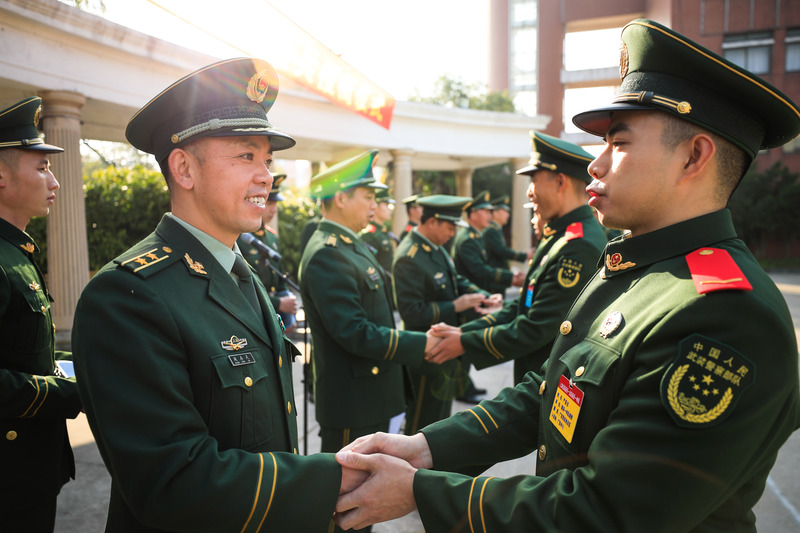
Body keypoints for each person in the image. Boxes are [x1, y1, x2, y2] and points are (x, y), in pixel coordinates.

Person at [332, 19, 800, 532]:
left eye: (619, 143)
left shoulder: (725, 312)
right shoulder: (637, 266)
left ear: (694, 156)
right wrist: (426, 448)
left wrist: (421, 491)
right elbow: (554, 388)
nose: (595, 166)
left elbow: (609, 512)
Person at [72, 58, 357, 531]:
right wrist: (332, 480)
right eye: (246, 156)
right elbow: (173, 482)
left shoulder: (237, 272)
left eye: (267, 160)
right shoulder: (127, 296)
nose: (265, 175)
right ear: (184, 168)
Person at [298, 149, 441, 533]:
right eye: (367, 196)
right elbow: (354, 332)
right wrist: (420, 344)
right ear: (341, 198)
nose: (375, 205)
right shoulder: (327, 254)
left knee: (363, 508)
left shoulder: (348, 243)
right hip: (353, 403)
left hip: (368, 394)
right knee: (346, 512)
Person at [428, 132, 608, 385]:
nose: (529, 193)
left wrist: (465, 342)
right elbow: (524, 306)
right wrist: (464, 332)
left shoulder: (579, 244)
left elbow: (536, 327)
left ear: (560, 182)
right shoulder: (560, 235)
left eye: (533, 180)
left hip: (547, 380)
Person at [0, 96, 82, 532]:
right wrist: (71, 391)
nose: (54, 180)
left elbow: (25, 353)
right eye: (42, 167)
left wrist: (83, 366)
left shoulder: (16, 251)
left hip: (28, 467)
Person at [391, 195, 495, 434]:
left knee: (438, 422)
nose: (452, 233)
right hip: (427, 355)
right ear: (432, 222)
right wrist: (454, 306)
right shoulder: (410, 256)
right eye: (449, 227)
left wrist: (481, 295)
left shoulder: (435, 247)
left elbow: (455, 279)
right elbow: (412, 312)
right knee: (423, 424)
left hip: (444, 351)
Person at [238, 173, 298, 334]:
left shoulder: (271, 237)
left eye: (275, 204)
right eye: (269, 203)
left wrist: (287, 301)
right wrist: (279, 303)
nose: (274, 209)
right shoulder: (241, 238)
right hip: (254, 313)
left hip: (276, 315)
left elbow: (280, 277)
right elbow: (242, 288)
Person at [452, 190, 525, 293]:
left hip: (479, 292)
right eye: (486, 212)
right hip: (472, 294)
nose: (490, 216)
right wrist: (510, 277)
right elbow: (480, 270)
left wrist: (511, 275)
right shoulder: (468, 239)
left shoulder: (476, 236)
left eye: (490, 212)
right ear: (473, 215)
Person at [483, 194, 533, 294]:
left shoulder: (496, 229)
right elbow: (501, 251)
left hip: (499, 278)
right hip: (495, 279)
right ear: (495, 213)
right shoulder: (491, 230)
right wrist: (524, 255)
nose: (508, 215)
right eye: (505, 212)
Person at [359, 187, 396, 273]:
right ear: (376, 206)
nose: (390, 209)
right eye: (386, 205)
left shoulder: (383, 231)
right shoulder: (369, 234)